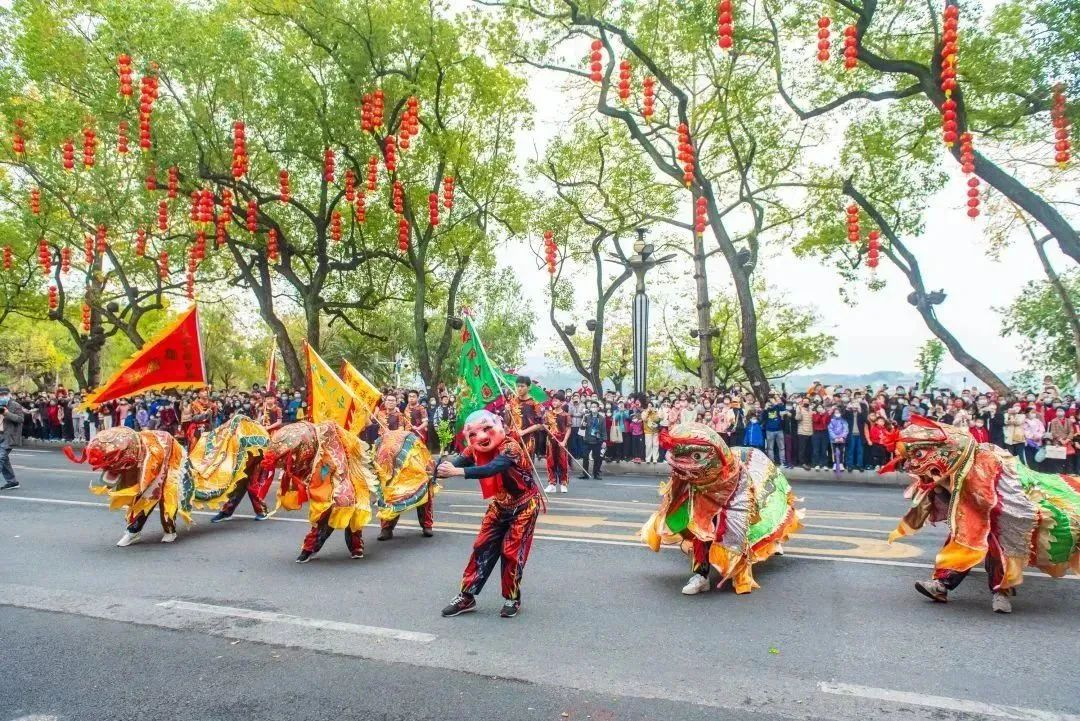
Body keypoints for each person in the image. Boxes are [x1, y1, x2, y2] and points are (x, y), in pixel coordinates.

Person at [437, 410, 541, 619]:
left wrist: (457, 472)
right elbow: (458, 462)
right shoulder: (474, 448)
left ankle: (512, 597)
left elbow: (492, 468)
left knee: (511, 552)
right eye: (473, 434)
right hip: (500, 505)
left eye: (487, 429)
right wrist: (438, 469)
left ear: (499, 425)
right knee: (481, 546)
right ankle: (467, 596)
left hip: (524, 505)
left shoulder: (511, 447)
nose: (481, 436)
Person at [543, 392, 571, 493]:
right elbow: (545, 426)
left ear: (562, 402)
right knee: (550, 462)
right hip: (551, 441)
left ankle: (563, 483)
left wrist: (564, 441)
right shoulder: (548, 414)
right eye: (553, 400)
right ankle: (552, 484)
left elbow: (568, 429)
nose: (554, 402)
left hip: (562, 441)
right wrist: (545, 426)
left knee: (563, 462)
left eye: (556, 400)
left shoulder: (566, 415)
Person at [0, 387, 25, 490]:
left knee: (0, 457)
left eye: (5, 395)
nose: (3, 397)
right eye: (1, 395)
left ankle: (12, 481)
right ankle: (12, 482)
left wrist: (7, 413)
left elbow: (20, 419)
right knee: (4, 460)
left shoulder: (15, 405)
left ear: (9, 394)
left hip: (9, 436)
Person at [580, 400, 604, 480]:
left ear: (598, 408)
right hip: (587, 440)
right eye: (592, 407)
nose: (593, 408)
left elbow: (603, 430)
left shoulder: (601, 418)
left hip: (597, 440)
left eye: (595, 407)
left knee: (597, 458)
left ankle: (596, 474)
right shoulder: (586, 417)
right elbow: (582, 428)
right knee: (585, 457)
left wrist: (604, 440)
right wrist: (583, 425)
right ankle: (585, 474)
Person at [762, 395, 786, 467]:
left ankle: (782, 462)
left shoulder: (778, 407)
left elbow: (783, 410)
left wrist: (776, 404)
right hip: (769, 431)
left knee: (781, 447)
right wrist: (765, 409)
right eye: (770, 401)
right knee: (770, 448)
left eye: (772, 400)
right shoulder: (766, 409)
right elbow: (763, 418)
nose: (771, 402)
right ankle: (772, 463)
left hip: (779, 430)